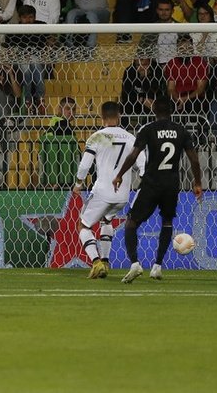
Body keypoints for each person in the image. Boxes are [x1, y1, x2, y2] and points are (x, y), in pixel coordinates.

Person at [112, 97, 203, 283]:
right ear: (172, 111)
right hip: (171, 185)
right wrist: (197, 183)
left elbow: (134, 155)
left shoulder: (148, 130)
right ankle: (157, 266)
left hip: (151, 183)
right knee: (167, 222)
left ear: (154, 111)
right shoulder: (181, 131)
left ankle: (135, 264)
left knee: (131, 222)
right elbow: (194, 159)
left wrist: (120, 174)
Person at [74, 102, 143, 280]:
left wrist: (79, 183)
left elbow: (84, 165)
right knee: (106, 222)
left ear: (102, 117)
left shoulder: (97, 137)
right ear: (119, 116)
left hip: (103, 191)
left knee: (83, 225)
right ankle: (105, 262)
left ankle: (96, 262)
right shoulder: (130, 137)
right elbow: (143, 166)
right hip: (122, 195)